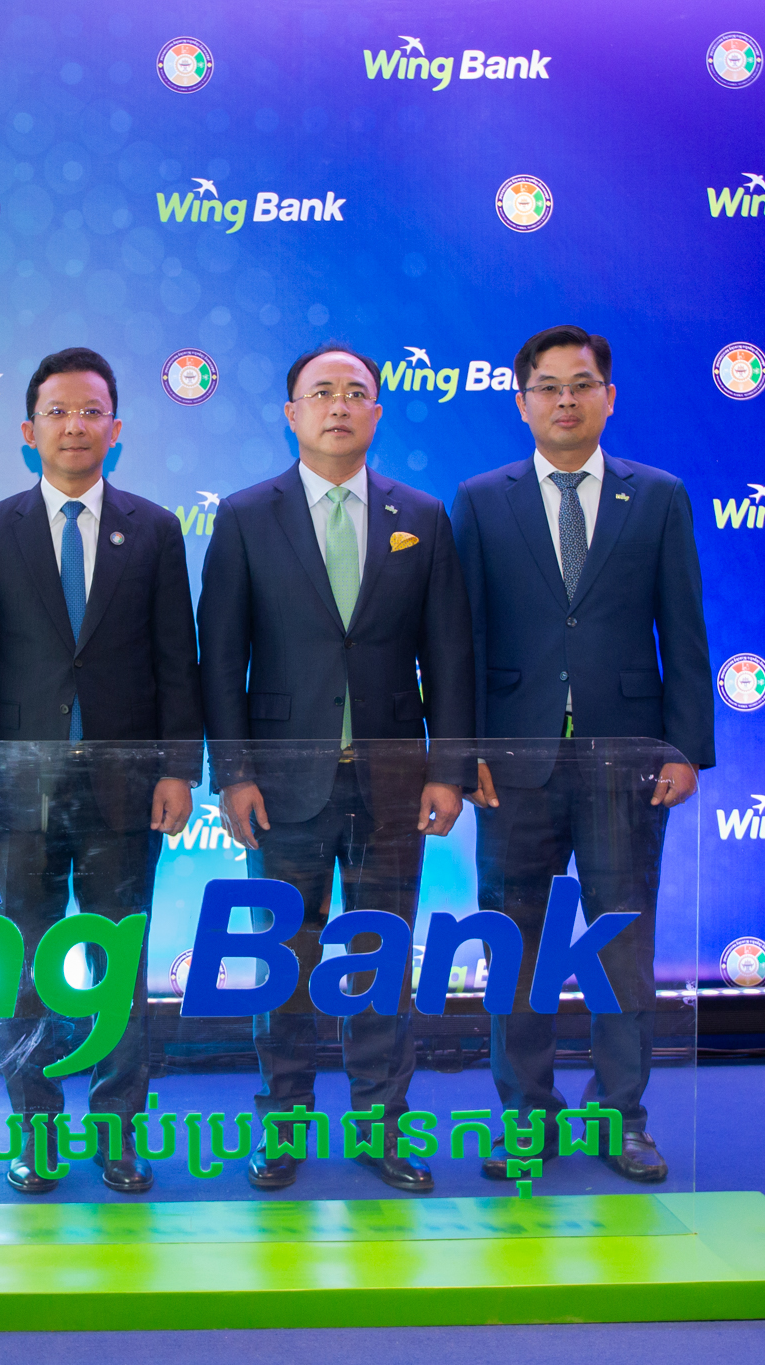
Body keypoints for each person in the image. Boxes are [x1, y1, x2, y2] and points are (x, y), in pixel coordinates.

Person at [198, 342, 474, 1193]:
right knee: (283, 959)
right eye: (322, 392)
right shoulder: (247, 515)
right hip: (282, 782)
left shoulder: (422, 516)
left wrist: (449, 768)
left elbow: (449, 656)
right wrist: (232, 774)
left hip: (392, 779)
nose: (340, 405)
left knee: (380, 959)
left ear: (377, 412)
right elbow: (221, 661)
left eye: (357, 392)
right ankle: (281, 1125)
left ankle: (381, 1126)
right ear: (292, 413)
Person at [449, 324, 713, 1184]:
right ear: (522, 401)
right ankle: (526, 1118)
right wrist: (462, 754)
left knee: (620, 947)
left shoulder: (659, 495)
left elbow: (684, 630)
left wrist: (685, 747)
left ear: (609, 396)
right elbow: (461, 640)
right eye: (548, 386)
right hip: (512, 765)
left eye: (582, 384)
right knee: (516, 950)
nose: (566, 399)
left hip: (626, 764)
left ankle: (621, 1117)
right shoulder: (480, 500)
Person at [0, 346, 203, 1196]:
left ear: (116, 428)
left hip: (125, 791)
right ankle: (36, 1131)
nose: (74, 425)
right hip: (17, 795)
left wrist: (179, 768)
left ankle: (118, 1131)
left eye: (91, 410)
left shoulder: (155, 529)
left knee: (116, 967)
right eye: (57, 411)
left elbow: (177, 662)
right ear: (29, 431)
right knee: (24, 965)